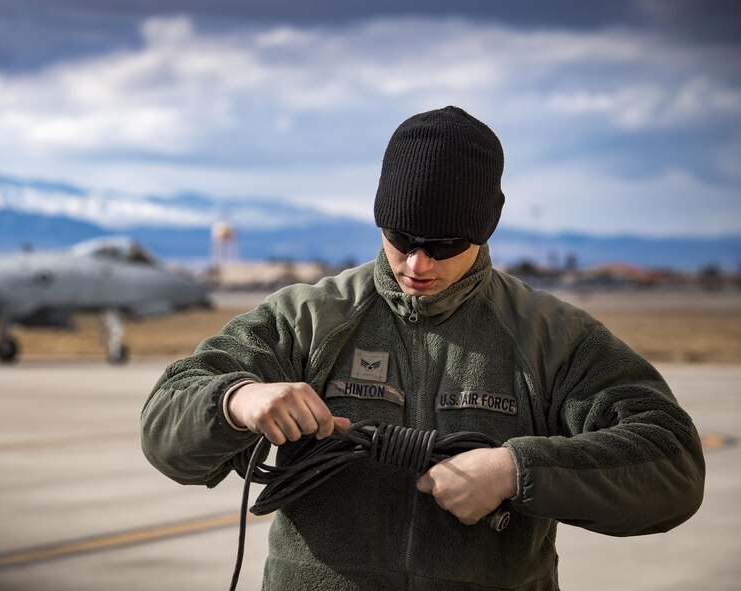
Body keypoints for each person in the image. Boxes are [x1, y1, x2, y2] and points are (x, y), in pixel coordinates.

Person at [140, 106, 706, 590]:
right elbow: (165, 422)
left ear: (486, 229)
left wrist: (516, 470)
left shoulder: (552, 338)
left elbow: (672, 463)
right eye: (401, 238)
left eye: (442, 245)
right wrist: (238, 400)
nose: (417, 264)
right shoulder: (307, 318)